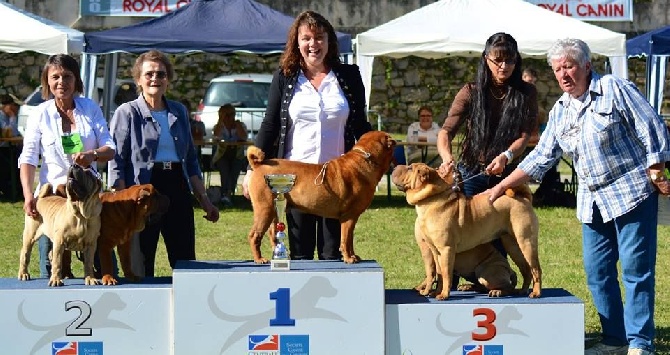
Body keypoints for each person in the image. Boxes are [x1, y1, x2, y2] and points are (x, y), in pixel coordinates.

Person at [487, 38, 670, 355]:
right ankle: (615, 339)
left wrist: (657, 169)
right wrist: (503, 185)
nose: (563, 74)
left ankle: (641, 343)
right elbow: (541, 157)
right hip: (592, 202)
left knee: (636, 272)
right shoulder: (560, 110)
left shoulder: (614, 88)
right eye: (557, 69)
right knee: (597, 273)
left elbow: (650, 125)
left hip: (630, 191)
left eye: (568, 66)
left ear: (587, 66)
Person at [242, 10, 372, 260]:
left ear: (329, 41)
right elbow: (270, 124)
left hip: (338, 179)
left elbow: (360, 125)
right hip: (294, 177)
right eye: (307, 38)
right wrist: (250, 172)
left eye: (319, 37)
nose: (313, 44)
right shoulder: (285, 77)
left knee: (331, 252)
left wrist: (380, 159)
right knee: (299, 251)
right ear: (297, 42)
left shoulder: (349, 76)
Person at [108, 50, 219, 277]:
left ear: (168, 79)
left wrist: (205, 201)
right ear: (138, 79)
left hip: (176, 185)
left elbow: (190, 160)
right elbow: (116, 161)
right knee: (141, 259)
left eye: (161, 74)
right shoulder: (126, 113)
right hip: (142, 191)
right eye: (149, 74)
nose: (155, 79)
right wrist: (119, 203)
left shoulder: (178, 111)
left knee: (185, 259)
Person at [18, 54, 116, 278]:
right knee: (53, 273)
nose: (61, 82)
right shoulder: (39, 114)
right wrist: (28, 196)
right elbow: (28, 158)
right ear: (47, 82)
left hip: (88, 197)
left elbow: (110, 149)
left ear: (76, 80)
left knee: (105, 268)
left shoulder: (90, 108)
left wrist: (92, 155)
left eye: (67, 76)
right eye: (55, 77)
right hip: (53, 199)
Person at [212, 104, 248, 207]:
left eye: (232, 114)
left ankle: (227, 194)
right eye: (226, 114)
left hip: (237, 154)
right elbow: (216, 136)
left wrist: (238, 126)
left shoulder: (240, 125)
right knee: (224, 170)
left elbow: (244, 137)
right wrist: (220, 121)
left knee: (234, 170)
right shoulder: (219, 126)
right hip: (222, 155)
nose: (230, 117)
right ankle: (225, 194)